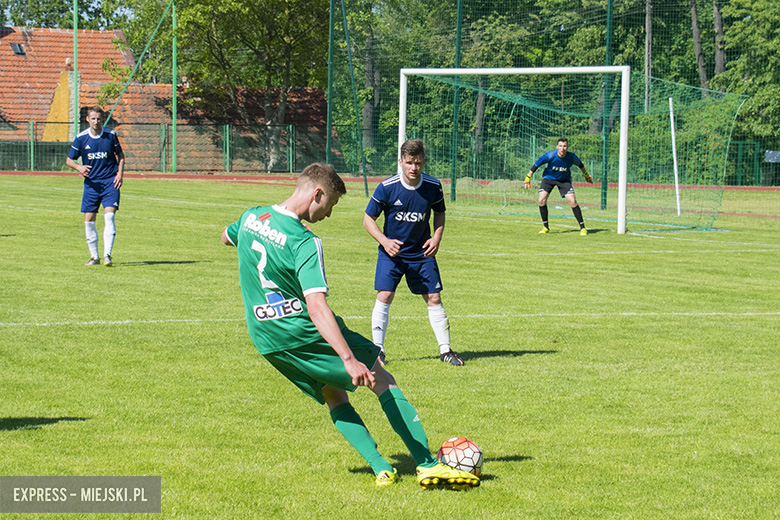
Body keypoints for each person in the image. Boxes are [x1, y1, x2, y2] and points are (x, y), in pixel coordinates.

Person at [220, 163, 479, 490]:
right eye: (331, 204)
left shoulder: (251, 217)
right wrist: (348, 358)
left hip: (267, 338)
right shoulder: (304, 241)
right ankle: (427, 464)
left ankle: (381, 468)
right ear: (317, 194)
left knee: (332, 391)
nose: (329, 214)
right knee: (380, 377)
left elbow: (226, 237)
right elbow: (316, 306)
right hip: (302, 329)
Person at [363, 139, 464, 367]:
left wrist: (436, 237)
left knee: (434, 297)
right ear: (401, 161)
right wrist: (384, 241)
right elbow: (368, 218)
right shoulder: (387, 187)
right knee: (384, 295)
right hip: (392, 254)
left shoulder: (433, 186)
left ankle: (446, 350)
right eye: (409, 162)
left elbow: (439, 213)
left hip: (421, 253)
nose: (413, 168)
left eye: (418, 163)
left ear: (424, 162)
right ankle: (377, 351)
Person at [66, 106, 125, 266]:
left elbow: (121, 156)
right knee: (89, 221)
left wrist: (120, 174)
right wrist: (79, 167)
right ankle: (94, 257)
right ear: (88, 119)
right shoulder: (81, 138)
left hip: (110, 183)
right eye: (93, 118)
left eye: (98, 119)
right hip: (91, 185)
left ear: (102, 119)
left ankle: (107, 255)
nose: (96, 122)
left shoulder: (110, 135)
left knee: (110, 216)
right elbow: (69, 160)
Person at [524, 137, 592, 235]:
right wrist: (528, 177)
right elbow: (536, 164)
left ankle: (583, 228)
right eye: (560, 146)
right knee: (541, 200)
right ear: (557, 147)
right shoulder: (550, 155)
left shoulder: (572, 157)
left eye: (564, 146)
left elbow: (581, 165)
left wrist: (586, 175)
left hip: (564, 180)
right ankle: (545, 227)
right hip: (548, 179)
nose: (562, 148)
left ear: (567, 147)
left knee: (572, 201)